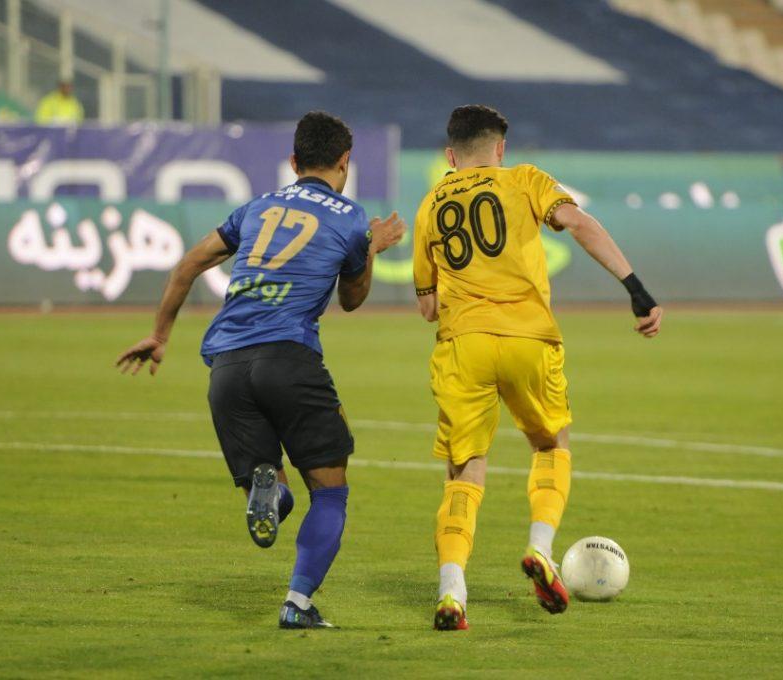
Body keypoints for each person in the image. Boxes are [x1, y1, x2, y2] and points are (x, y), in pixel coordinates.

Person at [115, 111, 406, 629]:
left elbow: (188, 265)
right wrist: (371, 248)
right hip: (290, 359)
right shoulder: (350, 217)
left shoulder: (257, 207)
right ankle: (297, 604)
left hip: (226, 368)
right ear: (345, 161)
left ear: (293, 161)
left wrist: (159, 336)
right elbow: (352, 299)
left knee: (268, 483)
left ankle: (270, 490)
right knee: (331, 492)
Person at [412, 105, 663, 631]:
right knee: (550, 445)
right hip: (529, 338)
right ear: (500, 149)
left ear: (450, 156)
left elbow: (428, 306)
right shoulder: (525, 179)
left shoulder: (430, 204)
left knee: (463, 471)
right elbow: (578, 223)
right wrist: (635, 288)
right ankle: (540, 548)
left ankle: (452, 594)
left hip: (463, 345)